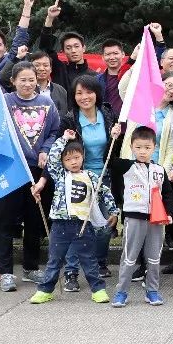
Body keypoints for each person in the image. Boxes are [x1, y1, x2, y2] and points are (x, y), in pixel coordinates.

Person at [0, 61, 62, 292]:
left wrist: (45, 149)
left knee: (34, 220)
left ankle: (30, 267)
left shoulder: (46, 103)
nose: (27, 84)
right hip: (12, 167)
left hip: (36, 170)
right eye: (22, 80)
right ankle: (6, 271)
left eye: (31, 79)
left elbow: (54, 131)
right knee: (6, 220)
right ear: (13, 81)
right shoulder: (6, 100)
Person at [28, 136, 120, 304]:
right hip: (60, 225)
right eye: (68, 159)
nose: (73, 162)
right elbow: (52, 157)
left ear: (83, 156)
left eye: (76, 157)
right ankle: (45, 290)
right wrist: (63, 139)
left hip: (83, 224)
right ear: (62, 162)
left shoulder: (91, 176)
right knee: (54, 260)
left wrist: (113, 211)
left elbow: (105, 192)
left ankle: (98, 289)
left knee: (89, 259)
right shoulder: (60, 175)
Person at [61, 75, 122, 290]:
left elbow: (116, 149)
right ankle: (71, 272)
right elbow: (63, 151)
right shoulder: (69, 119)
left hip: (105, 176)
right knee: (77, 225)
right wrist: (67, 139)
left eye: (89, 92)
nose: (84, 97)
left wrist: (116, 136)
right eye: (79, 93)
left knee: (105, 224)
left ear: (97, 93)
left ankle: (99, 262)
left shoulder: (108, 114)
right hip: (79, 177)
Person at [109, 126, 171, 307]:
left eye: (147, 147)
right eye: (138, 147)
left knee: (154, 257)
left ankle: (152, 291)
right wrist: (114, 139)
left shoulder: (160, 170)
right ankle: (121, 292)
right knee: (129, 257)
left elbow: (167, 193)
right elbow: (109, 160)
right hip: (134, 218)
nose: (142, 151)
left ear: (154, 148)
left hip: (157, 219)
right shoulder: (126, 166)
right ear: (131, 147)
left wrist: (168, 213)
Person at [38, 0, 91, 94]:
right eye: (68, 48)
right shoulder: (59, 69)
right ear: (63, 51)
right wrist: (50, 18)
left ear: (83, 48)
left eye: (76, 46)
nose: (73, 50)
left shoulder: (94, 76)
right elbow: (46, 47)